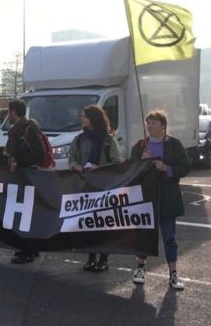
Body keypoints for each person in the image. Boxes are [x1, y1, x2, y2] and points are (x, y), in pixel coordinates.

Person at [130, 110, 191, 290]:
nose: (150, 125)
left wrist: (166, 168)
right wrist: (141, 160)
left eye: (154, 123)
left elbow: (185, 166)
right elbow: (130, 168)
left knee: (169, 237)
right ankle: (139, 269)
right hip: (145, 196)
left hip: (167, 196)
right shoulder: (141, 145)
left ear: (163, 126)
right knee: (144, 233)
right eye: (148, 122)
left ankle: (173, 274)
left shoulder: (174, 144)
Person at [69, 105, 123, 272]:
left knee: (103, 224)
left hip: (103, 188)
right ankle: (91, 257)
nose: (82, 118)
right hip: (85, 187)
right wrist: (75, 166)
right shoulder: (79, 139)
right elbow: (72, 158)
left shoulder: (108, 140)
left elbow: (118, 161)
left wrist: (99, 168)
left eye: (85, 116)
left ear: (93, 118)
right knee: (88, 223)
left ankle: (104, 258)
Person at [5, 99, 45, 264]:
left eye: (9, 111)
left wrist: (19, 163)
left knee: (26, 214)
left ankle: (27, 250)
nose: (8, 115)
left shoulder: (29, 128)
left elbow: (39, 153)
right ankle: (28, 248)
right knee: (22, 213)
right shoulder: (17, 129)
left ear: (14, 112)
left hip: (28, 176)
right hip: (20, 176)